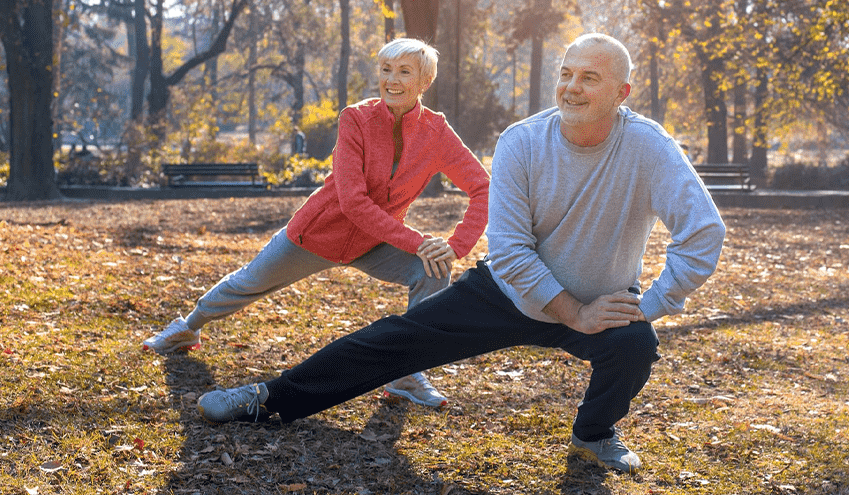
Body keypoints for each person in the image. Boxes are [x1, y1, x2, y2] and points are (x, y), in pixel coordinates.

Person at [195, 33, 726, 474]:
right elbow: (513, 251)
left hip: (600, 300)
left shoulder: (648, 146)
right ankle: (269, 398)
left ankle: (594, 433)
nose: (571, 86)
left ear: (622, 91)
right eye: (566, 73)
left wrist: (649, 304)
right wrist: (574, 313)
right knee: (393, 341)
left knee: (635, 346)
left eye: (590, 77)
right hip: (507, 293)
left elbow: (702, 233)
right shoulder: (522, 142)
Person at [143, 38, 490, 408]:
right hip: (318, 234)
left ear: (424, 82)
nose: (392, 80)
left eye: (404, 72)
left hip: (374, 242)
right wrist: (417, 240)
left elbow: (483, 188)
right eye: (386, 70)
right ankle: (187, 327)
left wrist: (454, 246)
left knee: (433, 268)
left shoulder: (436, 132)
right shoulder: (356, 119)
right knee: (248, 282)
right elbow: (353, 202)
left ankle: (405, 373)